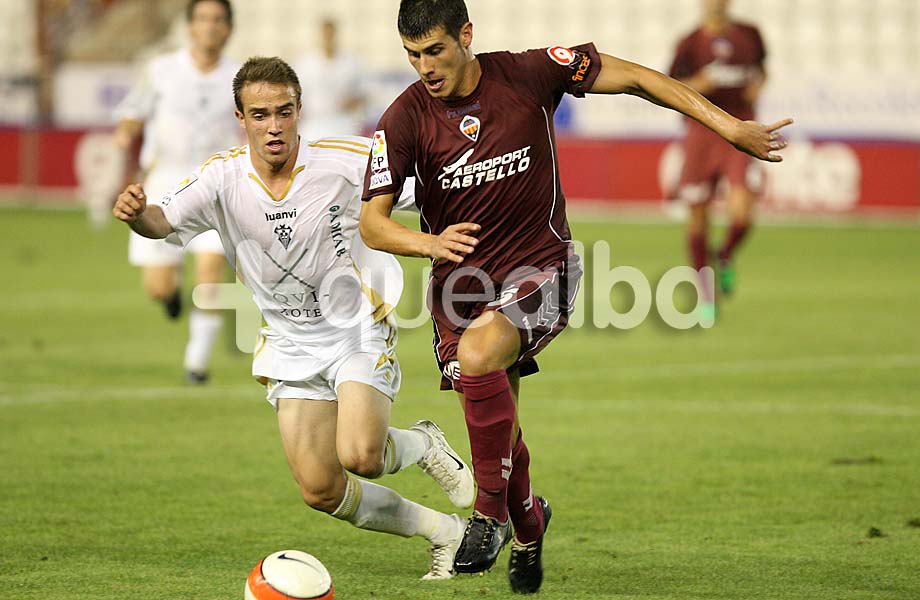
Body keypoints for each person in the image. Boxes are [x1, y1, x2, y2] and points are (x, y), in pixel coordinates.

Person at [358, 0, 791, 593]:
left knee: (482, 358)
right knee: (498, 427)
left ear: (466, 35)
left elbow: (638, 78)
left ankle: (486, 519)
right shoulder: (403, 119)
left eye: (434, 50)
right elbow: (373, 224)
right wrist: (426, 241)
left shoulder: (530, 73)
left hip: (544, 267)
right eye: (412, 55)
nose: (424, 67)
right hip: (460, 290)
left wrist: (728, 126)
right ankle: (529, 522)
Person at [112, 56, 476, 580]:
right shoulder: (220, 177)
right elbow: (161, 221)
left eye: (284, 111)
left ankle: (421, 443)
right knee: (321, 489)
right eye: (260, 114)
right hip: (289, 342)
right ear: (241, 118)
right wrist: (136, 214)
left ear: (300, 110)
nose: (274, 125)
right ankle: (443, 532)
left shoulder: (344, 159)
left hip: (355, 326)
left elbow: (430, 189)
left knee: (362, 455)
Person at [113, 0, 241, 383]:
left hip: (212, 182)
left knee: (210, 271)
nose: (210, 26)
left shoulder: (238, 76)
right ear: (189, 27)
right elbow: (133, 112)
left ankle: (196, 363)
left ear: (229, 28)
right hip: (164, 182)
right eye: (203, 19)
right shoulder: (162, 70)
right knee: (158, 286)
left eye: (218, 19)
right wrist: (126, 134)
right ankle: (170, 295)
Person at [669, 0, 768, 316]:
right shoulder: (689, 43)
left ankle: (724, 253)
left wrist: (758, 86)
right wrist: (700, 84)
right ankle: (705, 293)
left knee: (743, 212)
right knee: (698, 214)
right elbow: (671, 87)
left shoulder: (750, 34)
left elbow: (761, 70)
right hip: (702, 133)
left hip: (740, 130)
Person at [293, 18, 367, 140]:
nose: (328, 37)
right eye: (325, 33)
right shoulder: (305, 63)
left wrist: (352, 102)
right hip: (312, 125)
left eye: (331, 33)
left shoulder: (351, 63)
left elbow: (363, 95)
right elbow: (294, 93)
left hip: (343, 124)